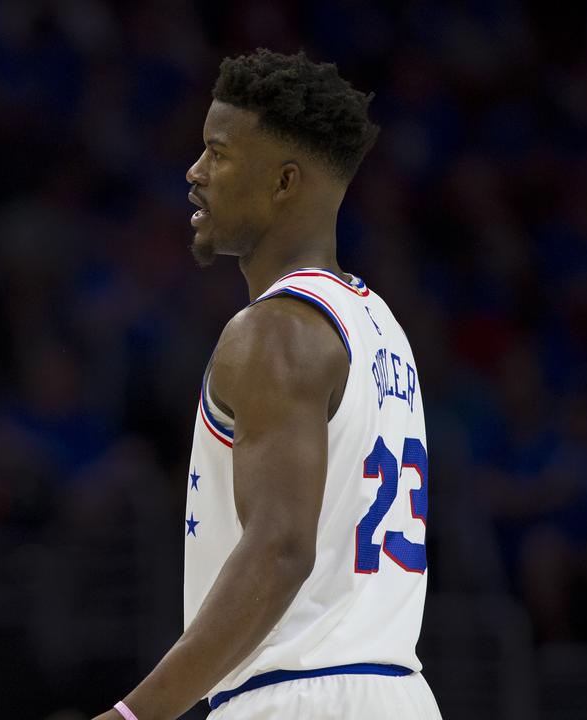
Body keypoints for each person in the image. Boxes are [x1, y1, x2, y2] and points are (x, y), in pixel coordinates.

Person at [93, 49, 441, 720]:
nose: (194, 174)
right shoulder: (382, 326)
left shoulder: (273, 333)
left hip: (296, 695)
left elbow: (282, 549)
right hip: (401, 693)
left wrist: (133, 715)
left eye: (218, 154)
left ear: (284, 182)